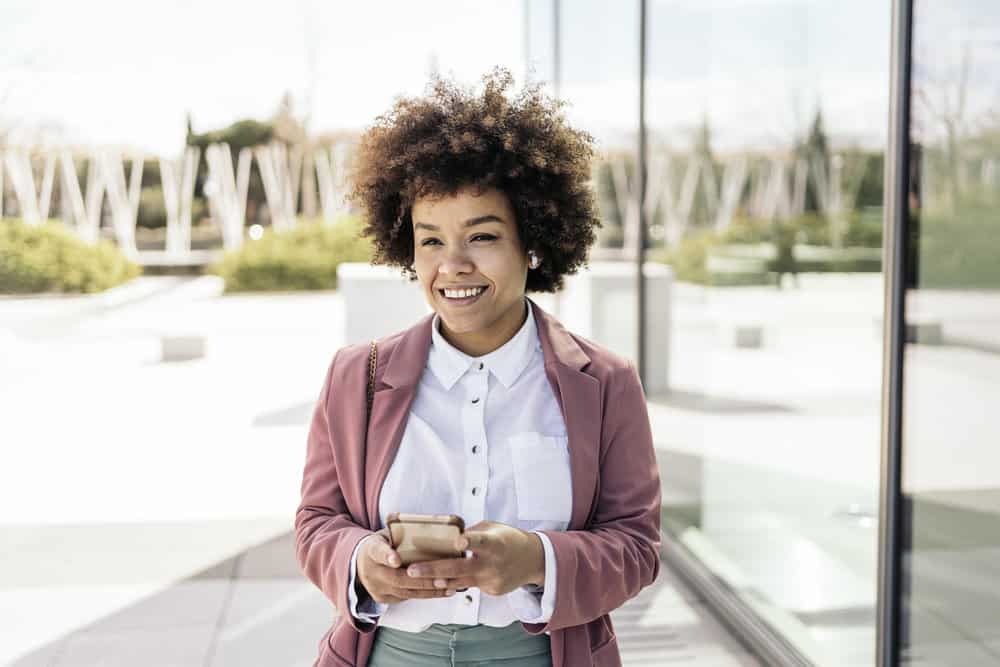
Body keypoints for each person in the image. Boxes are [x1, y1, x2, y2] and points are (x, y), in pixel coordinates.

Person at [295, 67, 661, 667]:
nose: (453, 265)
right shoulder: (354, 377)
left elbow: (636, 547)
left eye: (483, 236)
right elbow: (317, 521)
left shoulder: (603, 382)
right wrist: (361, 562)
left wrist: (534, 559)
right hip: (391, 653)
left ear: (533, 242)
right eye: (431, 240)